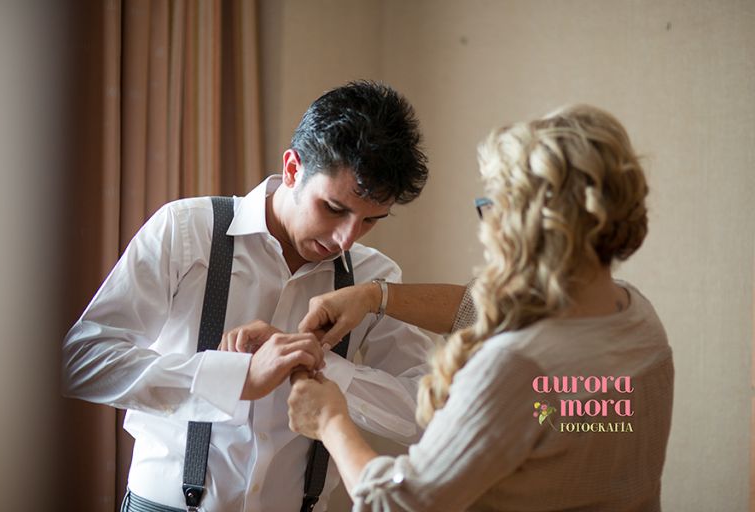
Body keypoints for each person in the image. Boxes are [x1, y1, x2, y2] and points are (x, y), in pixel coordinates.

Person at [62, 81, 436, 512]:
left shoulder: (374, 279)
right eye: (334, 209)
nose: (346, 239)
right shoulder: (185, 230)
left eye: (371, 221)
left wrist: (317, 363)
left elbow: (419, 413)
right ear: (293, 169)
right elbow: (84, 360)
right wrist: (235, 377)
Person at [288, 104, 675, 511]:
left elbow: (398, 504)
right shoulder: (636, 315)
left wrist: (330, 422)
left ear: (522, 221)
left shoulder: (516, 365)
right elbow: (483, 309)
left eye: (492, 204)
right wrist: (374, 296)